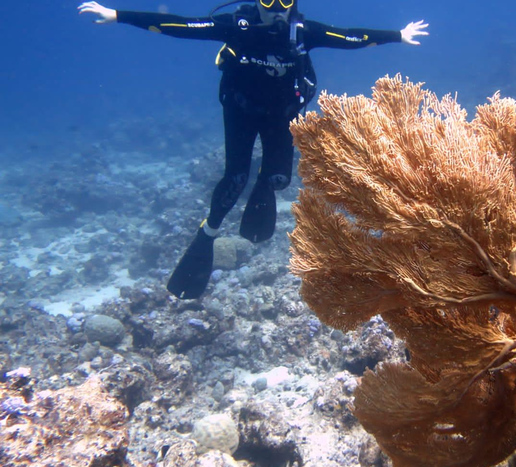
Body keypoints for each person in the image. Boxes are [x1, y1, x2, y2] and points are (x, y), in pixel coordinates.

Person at [78, 0, 429, 299]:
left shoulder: (303, 33)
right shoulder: (238, 26)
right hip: (241, 113)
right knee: (235, 178)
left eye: (284, 1)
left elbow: (352, 37)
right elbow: (178, 25)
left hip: (280, 116)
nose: (276, 9)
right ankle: (210, 231)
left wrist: (398, 35)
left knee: (277, 178)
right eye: (268, 0)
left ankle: (263, 187)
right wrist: (117, 15)